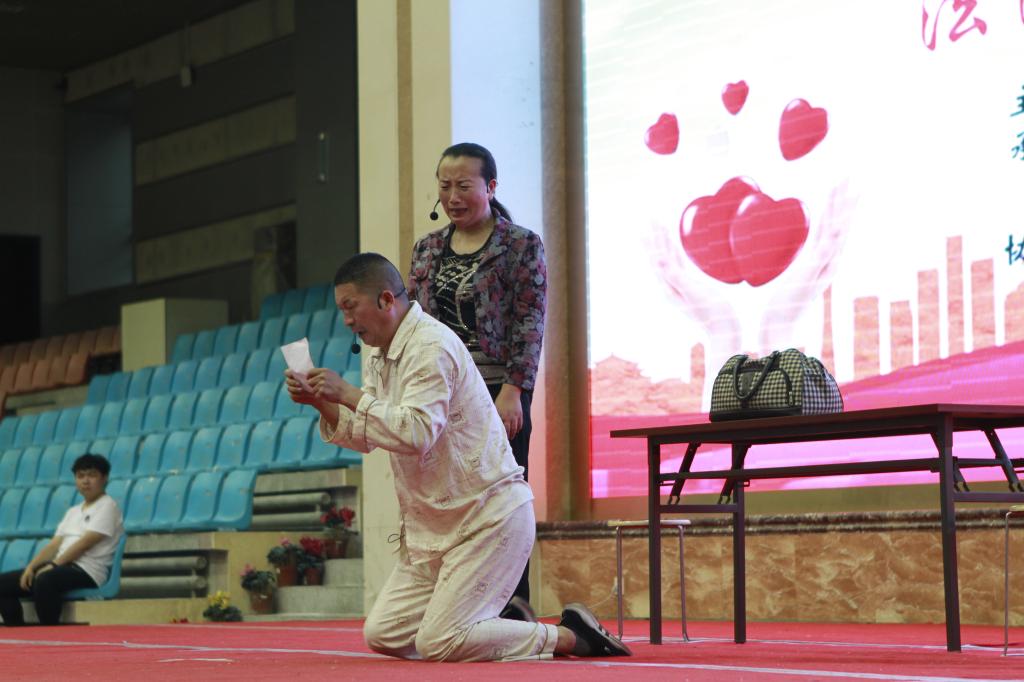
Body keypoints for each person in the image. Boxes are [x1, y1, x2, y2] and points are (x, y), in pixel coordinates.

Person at [285, 253, 628, 662]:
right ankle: (500, 624)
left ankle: (571, 636)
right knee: (383, 633)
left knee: (438, 641)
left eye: (349, 307)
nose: (345, 320)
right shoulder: (380, 355)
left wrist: (347, 393)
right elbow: (369, 434)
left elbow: (416, 433)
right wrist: (321, 403)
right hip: (437, 527)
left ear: (385, 300)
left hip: (488, 519)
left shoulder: (430, 346)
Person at [409, 142, 546, 615]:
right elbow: (417, 325)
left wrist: (514, 392)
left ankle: (513, 603)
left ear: (490, 187)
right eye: (445, 186)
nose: (453, 196)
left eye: (464, 186)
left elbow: (530, 323)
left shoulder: (520, 245)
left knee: (504, 499)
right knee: (448, 497)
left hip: (496, 390)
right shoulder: (427, 249)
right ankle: (452, 601)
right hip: (442, 394)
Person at [0, 453, 124, 626]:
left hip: (88, 571)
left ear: (104, 478)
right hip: (63, 567)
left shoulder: (108, 506)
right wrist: (31, 567)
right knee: (3, 584)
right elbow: (54, 545)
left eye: (92, 475)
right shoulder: (73, 511)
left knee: (45, 580)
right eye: (80, 476)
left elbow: (85, 544)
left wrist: (53, 565)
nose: (85, 481)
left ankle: (50, 631)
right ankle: (17, 630)